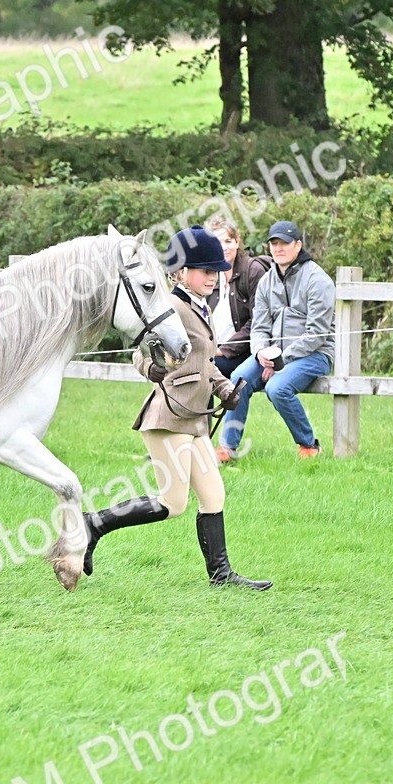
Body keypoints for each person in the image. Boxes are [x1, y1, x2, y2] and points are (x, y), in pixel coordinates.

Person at [82, 225, 272, 590]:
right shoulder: (170, 305)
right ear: (180, 272)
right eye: (205, 271)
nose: (213, 278)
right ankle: (94, 523)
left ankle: (221, 576)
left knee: (214, 494)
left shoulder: (202, 306)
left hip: (195, 419)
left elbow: (206, 362)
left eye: (216, 272)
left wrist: (225, 388)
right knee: (173, 503)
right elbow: (139, 353)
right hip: (169, 416)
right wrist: (151, 368)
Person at [217, 220, 335, 461]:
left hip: (315, 354)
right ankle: (228, 448)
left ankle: (309, 446)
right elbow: (258, 327)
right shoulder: (267, 281)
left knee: (277, 387)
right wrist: (261, 351)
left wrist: (279, 361)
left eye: (285, 243)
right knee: (237, 380)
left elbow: (317, 334)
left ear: (298, 245)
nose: (278, 248)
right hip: (271, 355)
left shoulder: (317, 279)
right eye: (274, 243)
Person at [205, 216, 268, 380]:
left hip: (242, 353)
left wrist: (223, 350)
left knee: (203, 368)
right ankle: (198, 407)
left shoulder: (253, 271)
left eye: (228, 241)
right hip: (210, 350)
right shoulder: (208, 273)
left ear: (237, 242)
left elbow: (257, 322)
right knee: (192, 367)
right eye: (217, 242)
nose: (223, 247)